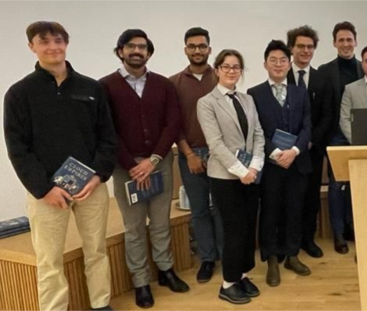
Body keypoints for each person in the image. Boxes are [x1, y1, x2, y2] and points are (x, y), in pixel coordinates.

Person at [4, 21, 117, 311]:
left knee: (97, 250)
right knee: (49, 259)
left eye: (58, 40)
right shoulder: (19, 93)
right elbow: (18, 148)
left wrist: (97, 176)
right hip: (47, 194)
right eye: (44, 42)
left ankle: (101, 303)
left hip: (91, 187)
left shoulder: (91, 88)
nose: (52, 47)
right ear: (32, 47)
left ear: (66, 44)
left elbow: (108, 137)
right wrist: (44, 189)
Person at [99, 29, 188, 309]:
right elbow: (107, 130)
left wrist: (153, 160)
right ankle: (140, 281)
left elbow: (172, 124)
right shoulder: (105, 86)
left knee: (161, 222)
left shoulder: (163, 85)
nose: (137, 51)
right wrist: (132, 164)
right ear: (120, 51)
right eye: (131, 46)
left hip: (160, 163)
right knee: (135, 227)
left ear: (149, 52)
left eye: (142, 47)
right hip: (126, 169)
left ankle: (165, 270)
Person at [197, 49, 265, 305]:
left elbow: (258, 134)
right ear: (216, 70)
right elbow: (215, 144)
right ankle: (228, 283)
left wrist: (255, 166)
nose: (231, 71)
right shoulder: (206, 102)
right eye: (226, 66)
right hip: (225, 177)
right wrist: (241, 171)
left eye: (236, 67)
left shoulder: (247, 100)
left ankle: (242, 275)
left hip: (250, 174)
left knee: (248, 228)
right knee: (235, 230)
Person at [248, 40, 314, 287]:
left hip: (297, 163)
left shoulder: (300, 92)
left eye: (283, 60)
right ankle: (272, 259)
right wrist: (277, 154)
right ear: (265, 64)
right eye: (273, 60)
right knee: (270, 212)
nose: (278, 64)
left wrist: (294, 151)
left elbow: (308, 126)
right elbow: (256, 131)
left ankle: (292, 255)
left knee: (295, 210)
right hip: (270, 165)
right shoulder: (254, 94)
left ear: (290, 64)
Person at [169, 27, 223, 284]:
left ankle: (227, 255)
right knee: (199, 210)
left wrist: (219, 153)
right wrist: (189, 154)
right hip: (190, 155)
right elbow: (173, 124)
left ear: (209, 49)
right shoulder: (174, 83)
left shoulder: (222, 77)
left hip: (221, 155)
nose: (198, 50)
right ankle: (208, 259)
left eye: (202, 46)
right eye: (192, 46)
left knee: (223, 208)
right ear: (185, 50)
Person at [318, 21, 364, 255]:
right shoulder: (325, 71)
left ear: (355, 41)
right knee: (337, 185)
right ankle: (338, 232)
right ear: (334, 43)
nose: (346, 44)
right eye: (341, 40)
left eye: (349, 40)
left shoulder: (364, 67)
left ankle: (351, 226)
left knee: (357, 184)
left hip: (361, 135)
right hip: (335, 136)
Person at [287, 25, 332, 259]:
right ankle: (288, 243)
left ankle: (308, 239)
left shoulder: (322, 79)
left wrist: (311, 141)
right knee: (287, 198)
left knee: (310, 197)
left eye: (310, 47)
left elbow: (327, 115)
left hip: (312, 151)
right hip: (284, 152)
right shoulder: (281, 77)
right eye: (301, 46)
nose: (306, 51)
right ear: (291, 48)